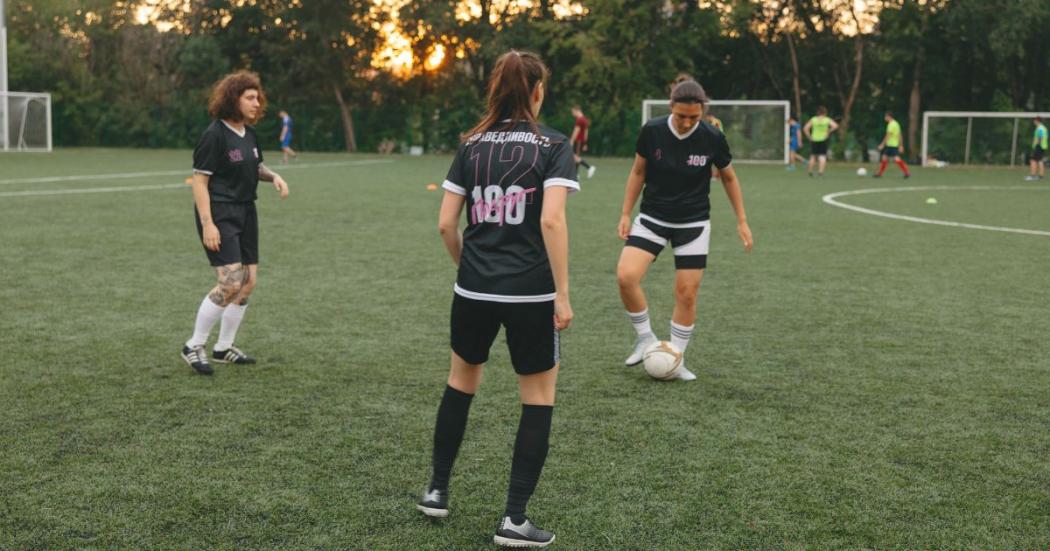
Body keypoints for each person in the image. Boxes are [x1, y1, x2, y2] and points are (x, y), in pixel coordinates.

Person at [417, 50, 577, 549]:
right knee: (538, 396)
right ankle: (513, 519)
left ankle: (437, 491)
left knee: (460, 383)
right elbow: (551, 220)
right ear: (537, 90)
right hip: (531, 291)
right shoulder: (553, 144)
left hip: (473, 287)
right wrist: (563, 294)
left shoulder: (472, 143)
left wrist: (467, 266)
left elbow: (445, 223)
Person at [616, 79, 753, 382]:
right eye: (681, 116)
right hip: (653, 216)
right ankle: (645, 338)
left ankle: (676, 357)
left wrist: (741, 219)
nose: (687, 122)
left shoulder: (712, 136)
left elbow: (729, 178)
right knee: (626, 276)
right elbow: (638, 171)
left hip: (693, 222)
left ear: (702, 111)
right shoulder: (652, 131)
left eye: (694, 116)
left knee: (687, 293)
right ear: (671, 108)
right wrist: (626, 212)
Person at [180, 71, 290, 375]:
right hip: (219, 212)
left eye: (258, 98)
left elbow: (255, 166)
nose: (257, 103)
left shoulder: (249, 134)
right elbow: (200, 182)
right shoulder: (214, 135)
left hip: (246, 211)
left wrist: (274, 176)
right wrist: (208, 224)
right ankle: (194, 345)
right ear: (233, 99)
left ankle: (223, 347)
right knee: (230, 282)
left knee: (248, 282)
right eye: (250, 98)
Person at [874, 111, 910, 178]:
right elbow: (900, 135)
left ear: (889, 117)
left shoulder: (891, 125)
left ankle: (906, 172)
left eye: (885, 116)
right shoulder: (896, 124)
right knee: (885, 157)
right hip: (894, 145)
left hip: (891, 145)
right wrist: (901, 145)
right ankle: (880, 173)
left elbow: (888, 135)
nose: (885, 118)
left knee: (896, 159)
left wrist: (882, 144)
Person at [804, 106, 838, 176]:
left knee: (813, 156)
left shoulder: (813, 119)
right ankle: (820, 171)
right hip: (823, 139)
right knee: (822, 156)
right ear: (825, 113)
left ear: (818, 113)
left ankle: (810, 171)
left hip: (814, 139)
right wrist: (828, 131)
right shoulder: (827, 120)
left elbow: (805, 128)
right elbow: (835, 126)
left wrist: (809, 136)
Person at [1026, 116, 1047, 181]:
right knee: (1040, 160)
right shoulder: (1043, 128)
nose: (1034, 122)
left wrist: (1037, 145)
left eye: (1034, 120)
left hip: (1039, 146)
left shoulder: (1040, 128)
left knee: (1033, 160)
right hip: (1043, 146)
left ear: (1037, 121)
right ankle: (1040, 175)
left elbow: (1040, 137)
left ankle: (1033, 175)